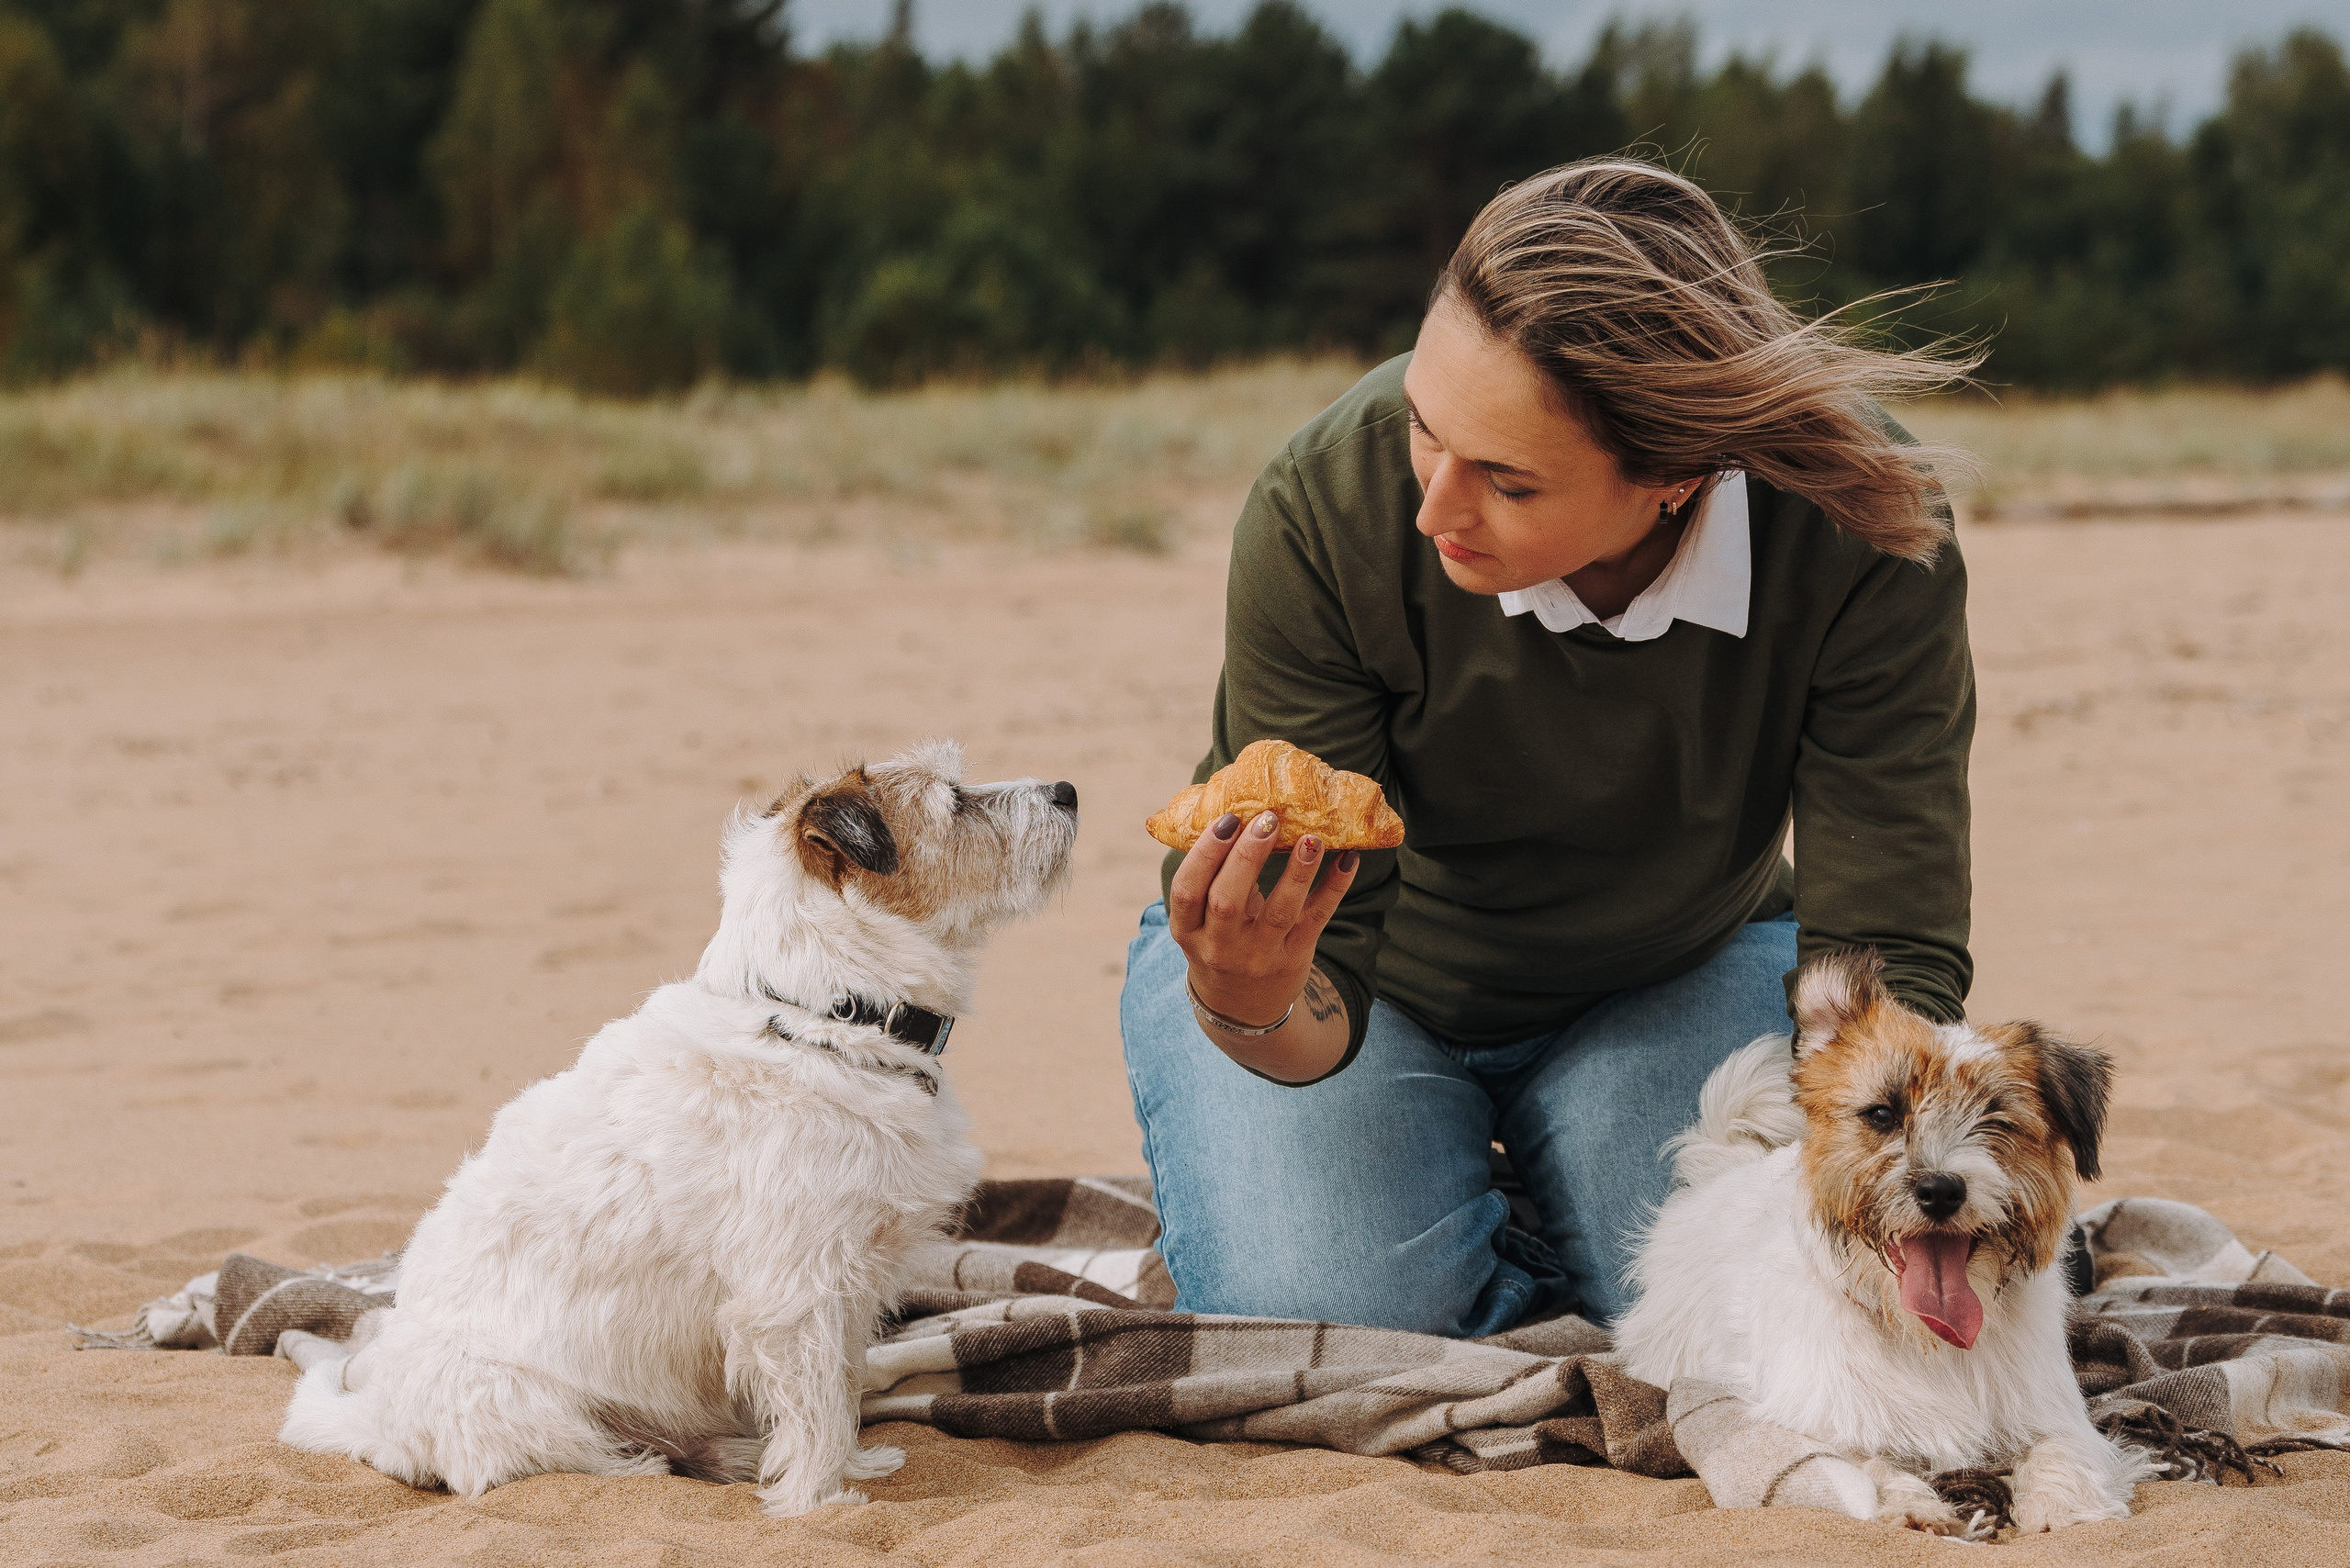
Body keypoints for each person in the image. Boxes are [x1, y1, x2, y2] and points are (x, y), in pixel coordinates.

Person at [1119, 158, 1981, 1336]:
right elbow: (1317, 969)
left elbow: (1885, 952)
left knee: (1761, 1305)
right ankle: (1477, 1195)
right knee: (1332, 1318)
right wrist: (1246, 995)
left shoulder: (1860, 527)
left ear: (1679, 474)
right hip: (1358, 988)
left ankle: (1514, 1196)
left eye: (1508, 482)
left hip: (1682, 968)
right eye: (1425, 430)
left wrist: (1876, 1176)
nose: (1431, 509)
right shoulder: (1327, 503)